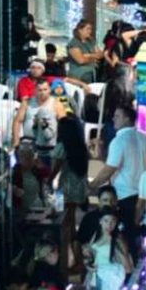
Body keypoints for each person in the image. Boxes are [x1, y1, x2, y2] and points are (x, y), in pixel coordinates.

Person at [94, 107, 146, 244]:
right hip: (143, 194)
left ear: (127, 119)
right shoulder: (145, 138)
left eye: (117, 116)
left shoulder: (119, 140)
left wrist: (92, 185)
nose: (113, 119)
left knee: (123, 237)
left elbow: (109, 170)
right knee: (136, 235)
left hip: (124, 195)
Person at [52, 116, 90, 278]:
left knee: (63, 225)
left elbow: (55, 168)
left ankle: (67, 262)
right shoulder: (81, 147)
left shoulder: (62, 147)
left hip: (64, 189)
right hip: (79, 189)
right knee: (71, 224)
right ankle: (77, 260)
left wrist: (47, 180)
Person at [13, 78, 66, 167]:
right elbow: (17, 121)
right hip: (29, 142)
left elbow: (64, 124)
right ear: (35, 90)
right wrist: (16, 141)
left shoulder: (56, 104)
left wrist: (61, 144)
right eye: (40, 90)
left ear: (49, 90)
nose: (42, 92)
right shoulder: (27, 103)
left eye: (45, 89)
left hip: (48, 145)